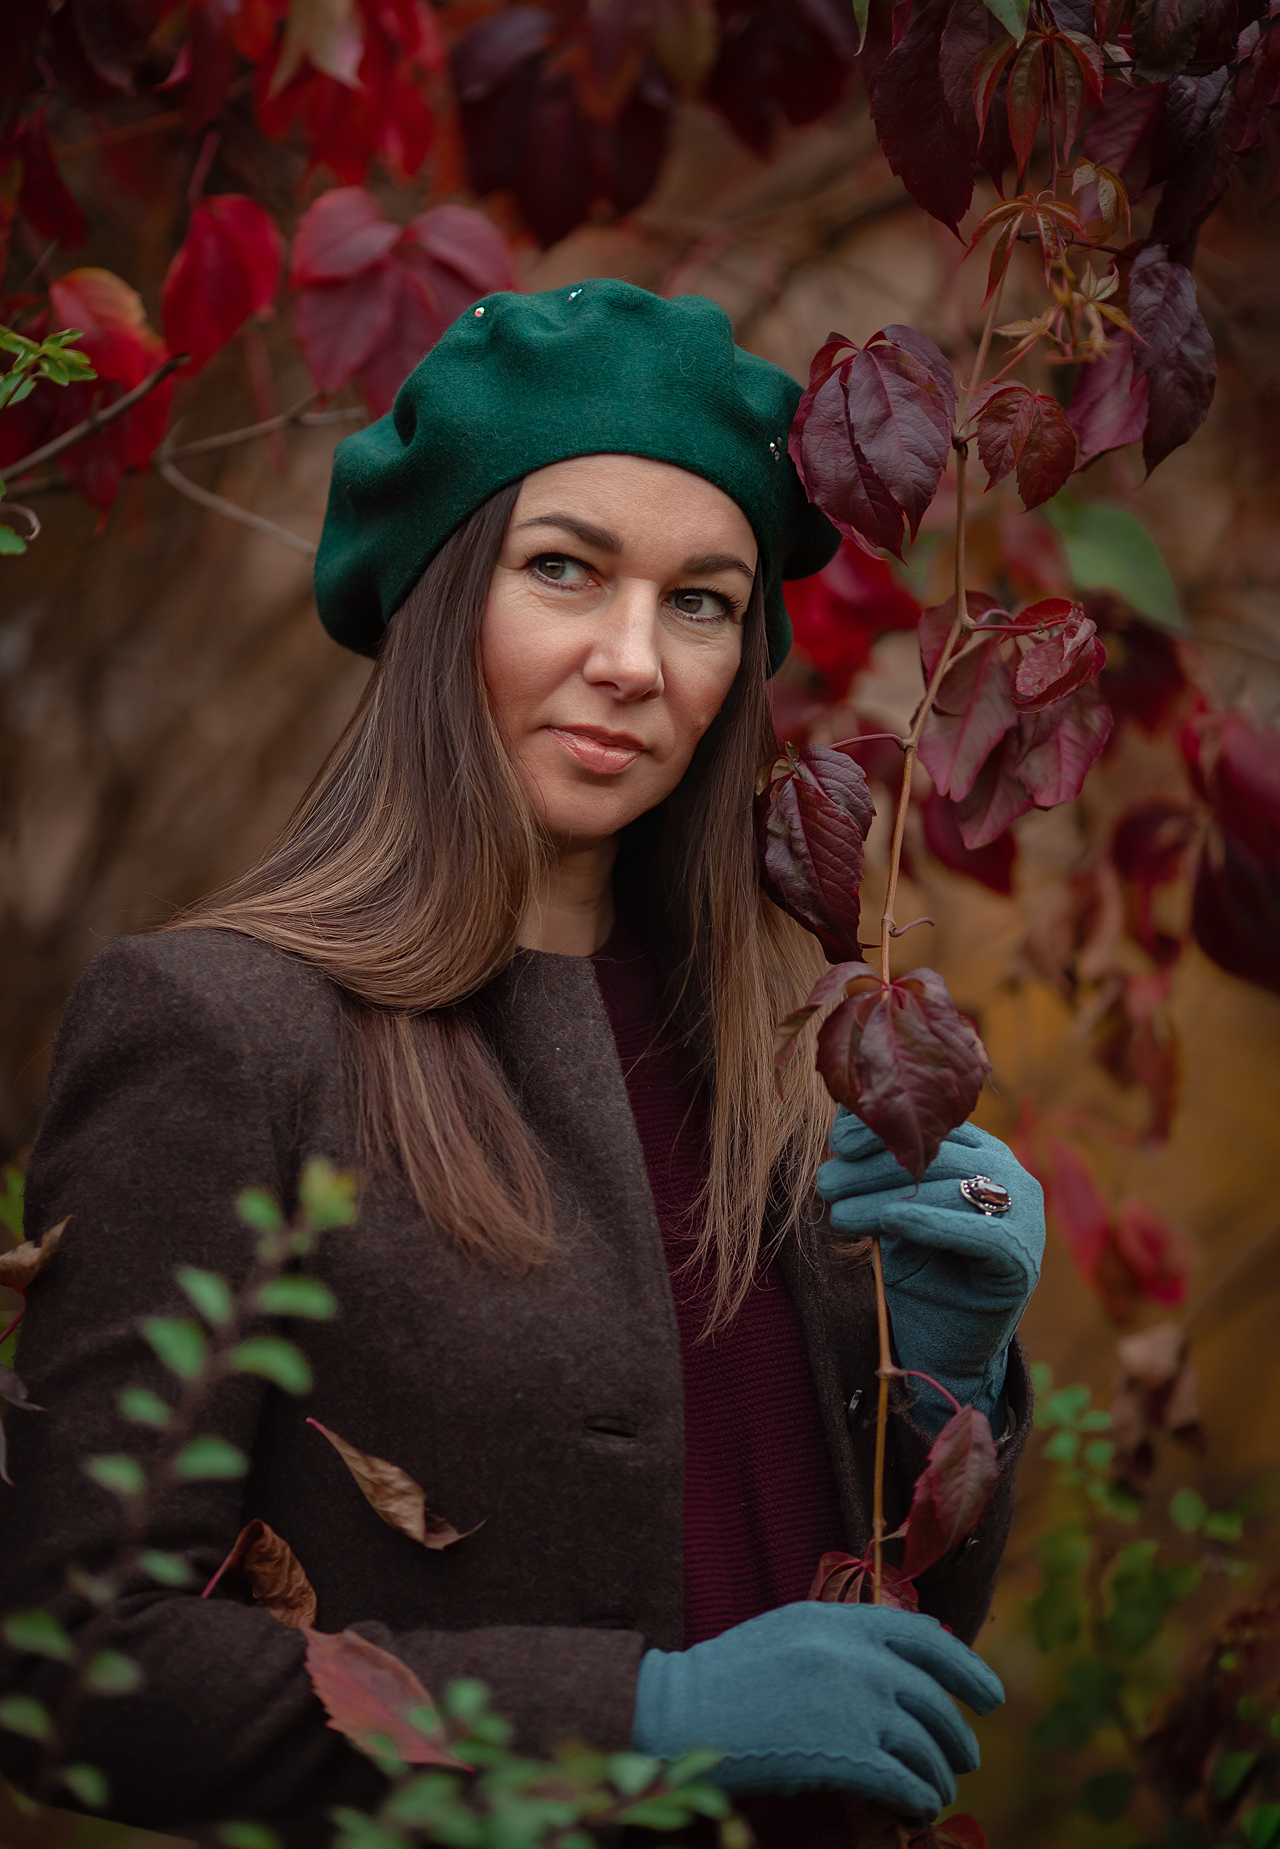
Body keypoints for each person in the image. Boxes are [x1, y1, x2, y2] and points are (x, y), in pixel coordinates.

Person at [0, 280, 1044, 1847]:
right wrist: (636, 1721)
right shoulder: (221, 1032)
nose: (635, 659)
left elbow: (897, 1667)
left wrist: (955, 1382)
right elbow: (78, 1668)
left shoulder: (795, 1087)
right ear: (441, 599)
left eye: (702, 603)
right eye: (564, 569)